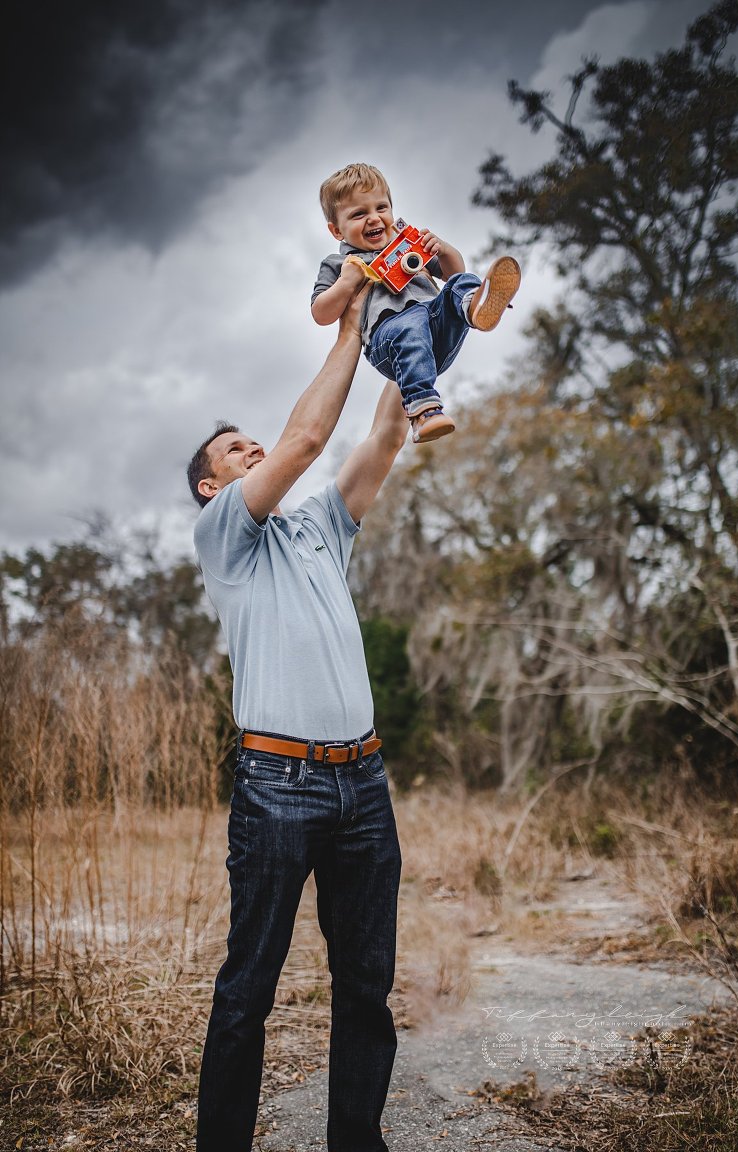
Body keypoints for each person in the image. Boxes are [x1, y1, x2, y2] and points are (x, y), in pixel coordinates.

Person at [188, 284, 408, 1152]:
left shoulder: (319, 523)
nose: (258, 451)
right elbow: (310, 436)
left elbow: (384, 435)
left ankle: (356, 1142)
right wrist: (353, 321)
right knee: (249, 990)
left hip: (366, 780)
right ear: (213, 485)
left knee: (366, 988)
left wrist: (429, 329)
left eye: (256, 442)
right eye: (239, 451)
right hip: (278, 788)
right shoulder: (223, 537)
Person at [312, 162, 521, 444]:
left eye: (381, 208)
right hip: (389, 341)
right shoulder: (339, 264)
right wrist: (345, 283)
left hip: (436, 329)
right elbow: (321, 313)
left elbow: (452, 272)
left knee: (460, 283)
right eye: (359, 214)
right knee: (409, 324)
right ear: (337, 231)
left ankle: (475, 307)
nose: (374, 218)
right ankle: (423, 410)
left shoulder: (406, 243)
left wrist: (443, 249)